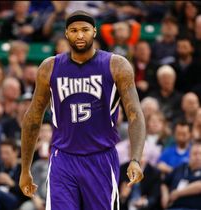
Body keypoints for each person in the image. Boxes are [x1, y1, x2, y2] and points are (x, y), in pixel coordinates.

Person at [19, 10, 146, 210]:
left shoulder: (116, 65)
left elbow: (135, 114)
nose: (80, 35)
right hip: (63, 159)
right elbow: (33, 118)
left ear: (94, 32)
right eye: (74, 30)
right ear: (66, 34)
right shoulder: (49, 68)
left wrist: (136, 159)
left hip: (101, 158)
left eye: (85, 30)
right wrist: (25, 168)